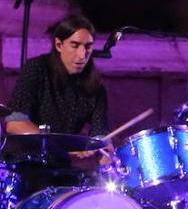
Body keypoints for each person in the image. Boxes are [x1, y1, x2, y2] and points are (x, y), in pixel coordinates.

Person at [5, 14, 112, 174]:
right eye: (75, 46)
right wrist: (61, 144)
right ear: (59, 45)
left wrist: (103, 152)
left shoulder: (96, 88)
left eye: (88, 47)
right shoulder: (36, 69)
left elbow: (101, 134)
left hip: (61, 169)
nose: (82, 55)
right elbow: (15, 124)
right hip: (24, 166)